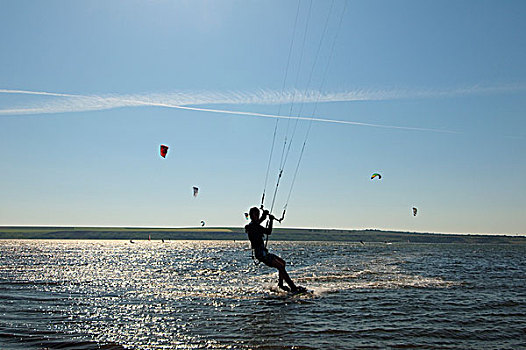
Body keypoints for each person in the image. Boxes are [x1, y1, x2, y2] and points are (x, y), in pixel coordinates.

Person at [245, 207, 305, 293]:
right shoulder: (253, 226)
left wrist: (264, 215)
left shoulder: (254, 224)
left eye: (258, 214)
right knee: (280, 266)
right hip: (261, 254)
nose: (257, 216)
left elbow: (259, 221)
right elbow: (268, 231)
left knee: (282, 263)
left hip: (264, 253)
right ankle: (293, 287)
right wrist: (271, 220)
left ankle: (280, 285)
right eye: (256, 214)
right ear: (251, 215)